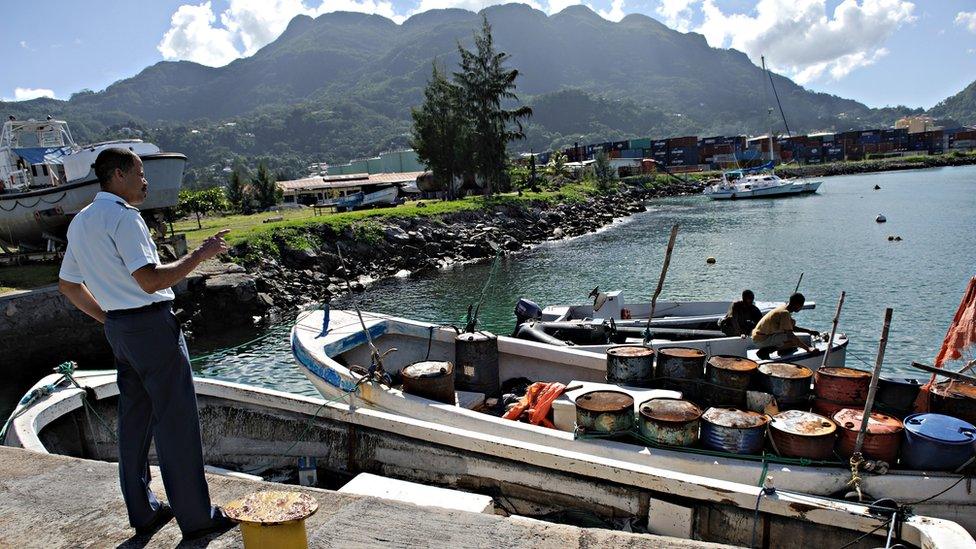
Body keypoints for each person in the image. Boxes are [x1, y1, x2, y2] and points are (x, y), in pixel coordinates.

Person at [58, 148, 234, 539]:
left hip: (120, 331)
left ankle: (143, 512)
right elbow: (151, 280)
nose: (146, 180)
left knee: (135, 421)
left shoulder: (81, 222)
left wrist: (109, 318)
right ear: (118, 175)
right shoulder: (124, 218)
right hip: (151, 328)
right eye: (140, 173)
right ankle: (196, 517)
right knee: (175, 422)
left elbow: (68, 285)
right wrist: (201, 254)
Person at [751, 292, 820, 359]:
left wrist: (809, 331)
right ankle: (764, 352)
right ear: (797, 304)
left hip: (759, 336)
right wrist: (808, 349)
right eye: (801, 305)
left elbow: (791, 327)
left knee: (793, 342)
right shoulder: (785, 313)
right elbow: (790, 335)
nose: (801, 307)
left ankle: (779, 350)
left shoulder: (783, 309)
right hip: (761, 339)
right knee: (793, 341)